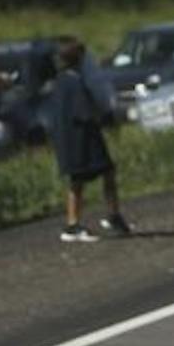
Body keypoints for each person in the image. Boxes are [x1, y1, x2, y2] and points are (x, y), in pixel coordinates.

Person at [48, 38, 131, 242]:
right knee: (94, 177)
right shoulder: (75, 82)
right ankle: (83, 221)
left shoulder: (60, 81)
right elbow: (85, 111)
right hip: (82, 140)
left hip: (70, 140)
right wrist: (105, 117)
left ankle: (78, 221)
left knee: (79, 181)